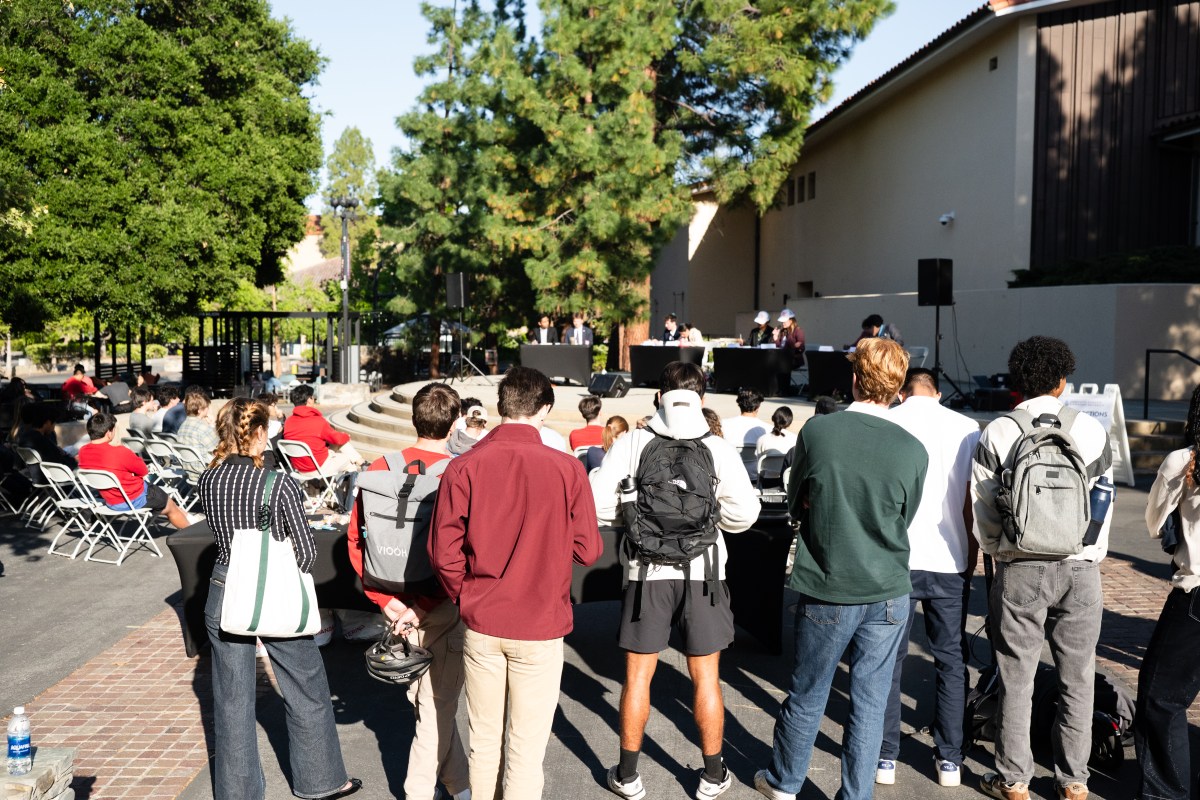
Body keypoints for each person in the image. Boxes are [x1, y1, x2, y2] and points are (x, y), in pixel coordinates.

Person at [755, 338, 927, 800]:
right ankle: (856, 795)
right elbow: (902, 518)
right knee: (870, 703)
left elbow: (795, 502)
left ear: (854, 379)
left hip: (830, 583)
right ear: (896, 387)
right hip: (889, 587)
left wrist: (816, 502)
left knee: (809, 692)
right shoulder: (913, 448)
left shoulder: (819, 432)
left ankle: (786, 781)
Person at [429, 366, 602, 799]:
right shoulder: (566, 468)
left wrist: (465, 597)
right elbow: (590, 550)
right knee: (525, 750)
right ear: (543, 409)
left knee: (484, 742)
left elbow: (442, 552)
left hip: (482, 619)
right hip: (540, 624)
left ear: (500, 407)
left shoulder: (463, 466)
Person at [592, 361, 759, 800]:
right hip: (704, 573)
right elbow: (746, 515)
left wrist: (632, 519)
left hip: (646, 573)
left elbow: (597, 506)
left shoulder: (632, 441)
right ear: (702, 400)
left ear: (657, 397)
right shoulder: (717, 448)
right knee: (706, 678)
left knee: (638, 678)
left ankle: (627, 776)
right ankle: (712, 775)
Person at [971, 336, 1112, 800]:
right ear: (1063, 379)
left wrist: (998, 550)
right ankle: (1074, 781)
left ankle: (1015, 779)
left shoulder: (998, 431)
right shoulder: (1090, 430)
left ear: (1018, 381)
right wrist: (1088, 551)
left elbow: (984, 506)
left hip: (1020, 566)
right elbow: (1102, 502)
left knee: (1017, 675)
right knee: (1079, 675)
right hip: (1080, 568)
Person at [199, 398, 361, 800]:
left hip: (225, 588)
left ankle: (238, 794)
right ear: (258, 433)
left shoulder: (208, 478)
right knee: (305, 685)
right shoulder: (277, 482)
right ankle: (320, 781)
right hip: (271, 589)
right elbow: (306, 553)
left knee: (232, 700)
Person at [346, 383, 469, 800]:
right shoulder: (459, 471)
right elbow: (459, 552)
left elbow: (355, 541)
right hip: (438, 601)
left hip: (392, 599)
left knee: (429, 702)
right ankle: (419, 792)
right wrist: (423, 605)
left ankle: (459, 785)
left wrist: (387, 602)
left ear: (413, 418)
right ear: (454, 424)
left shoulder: (379, 466)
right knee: (437, 706)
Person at [876, 367, 981, 788]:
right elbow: (974, 502)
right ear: (938, 392)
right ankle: (949, 758)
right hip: (950, 557)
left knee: (888, 660)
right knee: (951, 660)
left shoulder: (889, 421)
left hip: (895, 560)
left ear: (902, 392)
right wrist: (972, 560)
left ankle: (885, 756)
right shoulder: (967, 427)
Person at [1139, 384, 1200, 800]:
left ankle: (1166, 793)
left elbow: (1153, 521)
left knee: (1162, 696)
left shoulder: (1186, 460)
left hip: (1196, 592)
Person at [77, 411, 192, 529]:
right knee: (170, 506)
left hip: (111, 501)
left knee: (161, 496)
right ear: (108, 433)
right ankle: (191, 534)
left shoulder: (83, 452)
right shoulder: (119, 452)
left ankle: (190, 519)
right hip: (134, 498)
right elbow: (143, 471)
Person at [283, 383, 366, 476]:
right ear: (309, 400)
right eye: (313, 397)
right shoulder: (318, 421)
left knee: (338, 442)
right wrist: (346, 436)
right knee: (349, 462)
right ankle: (351, 486)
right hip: (319, 466)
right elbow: (337, 439)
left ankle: (362, 462)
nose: (314, 399)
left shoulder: (288, 422)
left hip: (299, 468)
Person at [721, 388, 769, 482]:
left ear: (739, 404)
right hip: (756, 478)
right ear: (758, 406)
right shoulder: (767, 429)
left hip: (730, 476)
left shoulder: (723, 425)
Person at [176, 387, 220, 483]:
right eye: (206, 407)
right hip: (205, 472)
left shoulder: (182, 427)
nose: (208, 409)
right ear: (200, 410)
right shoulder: (203, 428)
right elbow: (218, 449)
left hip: (189, 470)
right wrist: (213, 427)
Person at [16, 404, 78, 468]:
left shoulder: (25, 437)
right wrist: (75, 460)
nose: (54, 426)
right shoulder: (43, 441)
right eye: (54, 423)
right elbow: (60, 463)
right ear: (48, 422)